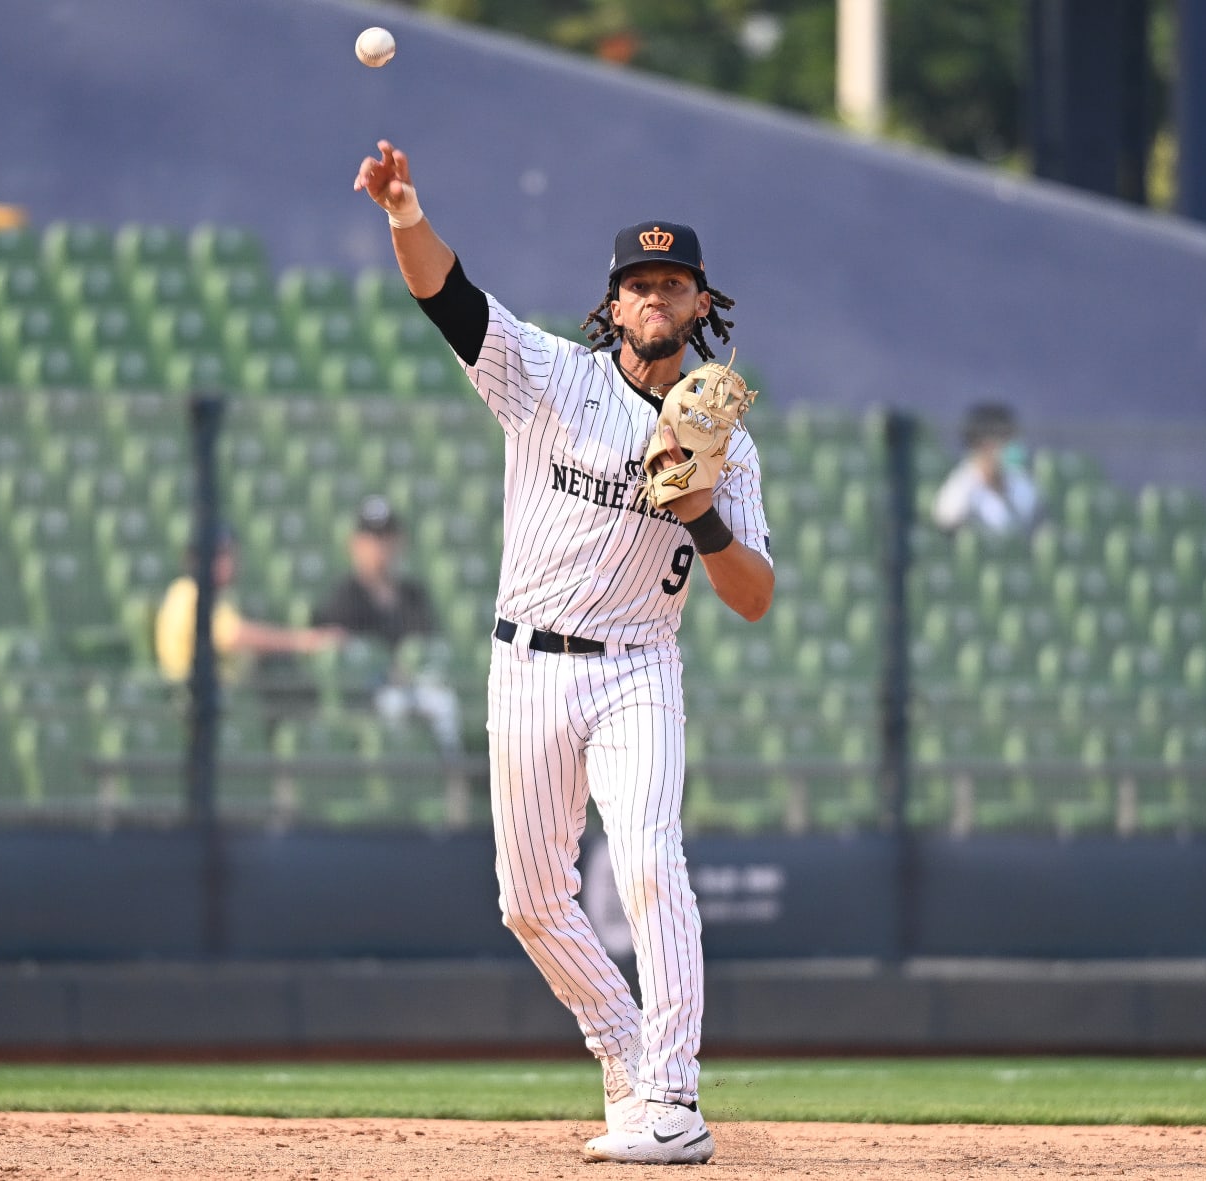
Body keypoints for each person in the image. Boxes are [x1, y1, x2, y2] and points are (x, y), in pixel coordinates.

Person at [355, 140, 774, 1165]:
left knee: (645, 856)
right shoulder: (546, 374)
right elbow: (447, 299)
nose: (654, 296)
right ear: (614, 302)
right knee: (530, 898)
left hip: (637, 663)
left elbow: (755, 597)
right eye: (638, 282)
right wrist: (407, 213)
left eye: (672, 282)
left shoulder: (726, 441)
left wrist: (704, 516)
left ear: (700, 300)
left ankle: (672, 1096)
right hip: (528, 660)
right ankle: (626, 1053)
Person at [312, 496, 462, 755]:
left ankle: (452, 784)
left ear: (399, 541)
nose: (380, 545)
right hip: (370, 695)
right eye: (372, 537)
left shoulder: (413, 595)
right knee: (395, 706)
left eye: (386, 536)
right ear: (356, 543)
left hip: (416, 686)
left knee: (443, 703)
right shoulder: (343, 597)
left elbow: (427, 647)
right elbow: (335, 654)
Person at [153, 525, 344, 688]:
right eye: (216, 554)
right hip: (195, 705)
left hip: (226, 699)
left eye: (228, 554)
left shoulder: (220, 598)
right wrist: (304, 641)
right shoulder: (187, 592)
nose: (226, 562)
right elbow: (234, 635)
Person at [931, 401, 1041, 536]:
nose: (1011, 445)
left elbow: (1033, 525)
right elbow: (946, 518)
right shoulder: (961, 485)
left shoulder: (1020, 480)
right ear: (983, 445)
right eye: (1004, 438)